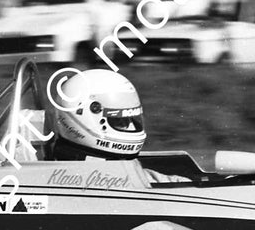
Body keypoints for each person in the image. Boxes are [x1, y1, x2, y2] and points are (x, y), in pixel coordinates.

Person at [44, 68, 189, 183]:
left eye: (131, 120)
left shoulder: (124, 170)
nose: (131, 127)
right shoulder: (79, 177)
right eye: (120, 121)